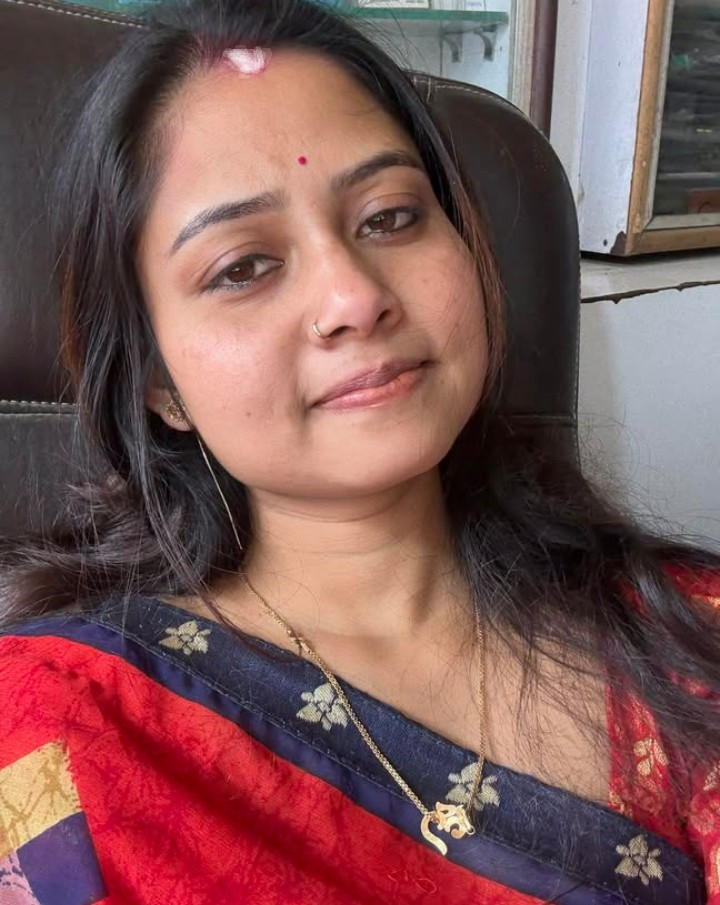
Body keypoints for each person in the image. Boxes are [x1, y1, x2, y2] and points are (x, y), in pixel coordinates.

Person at [1, 0, 719, 901]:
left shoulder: (688, 634)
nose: (353, 296)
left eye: (390, 216)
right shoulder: (60, 727)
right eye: (243, 266)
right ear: (158, 383)